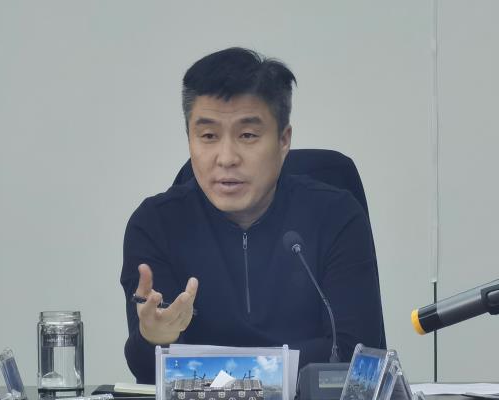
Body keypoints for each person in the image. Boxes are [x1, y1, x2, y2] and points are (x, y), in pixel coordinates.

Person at [120, 47, 384, 384]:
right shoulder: (156, 225)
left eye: (247, 135)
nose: (226, 158)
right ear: (189, 139)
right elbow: (156, 373)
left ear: (283, 140)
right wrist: (154, 339)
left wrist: (208, 365)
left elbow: (355, 358)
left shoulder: (336, 217)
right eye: (208, 136)